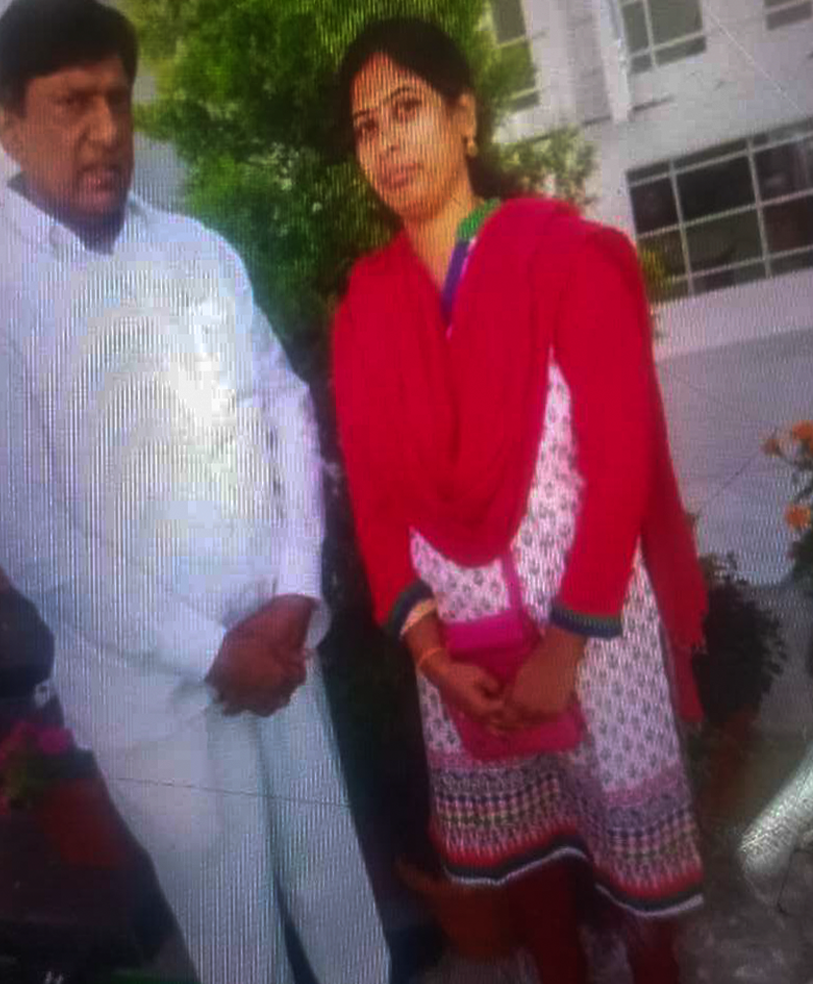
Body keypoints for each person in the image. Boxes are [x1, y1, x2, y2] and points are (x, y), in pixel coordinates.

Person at [0, 2, 390, 982]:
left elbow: (283, 403)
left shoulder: (196, 252)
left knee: (337, 894)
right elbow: (37, 543)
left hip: (277, 646)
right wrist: (214, 653)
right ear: (9, 124)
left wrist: (296, 586)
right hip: (157, 703)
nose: (105, 130)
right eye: (71, 104)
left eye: (117, 99)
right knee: (239, 947)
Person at [331, 17, 708, 984]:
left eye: (407, 108)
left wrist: (565, 646)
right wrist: (431, 656)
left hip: (593, 630)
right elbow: (374, 501)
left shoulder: (563, 258)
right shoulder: (366, 309)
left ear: (465, 117)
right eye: (367, 127)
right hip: (461, 652)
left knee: (638, 882)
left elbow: (621, 466)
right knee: (528, 859)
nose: (388, 142)